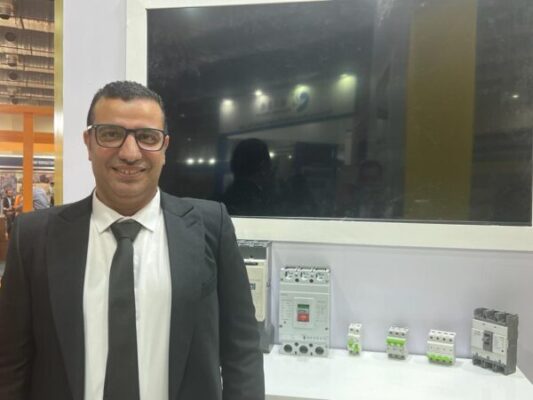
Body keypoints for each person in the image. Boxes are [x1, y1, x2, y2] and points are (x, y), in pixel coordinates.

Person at [0, 81, 264, 400]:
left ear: (164, 147)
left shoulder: (211, 227)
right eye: (111, 134)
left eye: (147, 137)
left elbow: (241, 351)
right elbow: (11, 364)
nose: (129, 153)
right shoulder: (33, 237)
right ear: (88, 143)